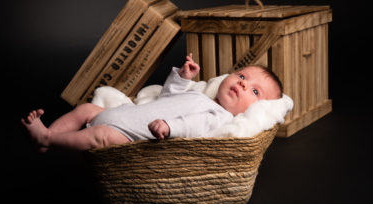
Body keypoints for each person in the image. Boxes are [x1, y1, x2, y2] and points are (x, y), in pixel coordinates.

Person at [21, 53, 283, 152]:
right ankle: (53, 134)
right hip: (124, 113)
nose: (243, 84)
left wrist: (170, 128)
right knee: (88, 109)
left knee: (99, 136)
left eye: (255, 92)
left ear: (257, 109)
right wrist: (183, 77)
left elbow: (193, 126)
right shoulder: (200, 95)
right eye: (241, 76)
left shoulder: (221, 117)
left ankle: (46, 139)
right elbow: (168, 97)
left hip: (130, 133)